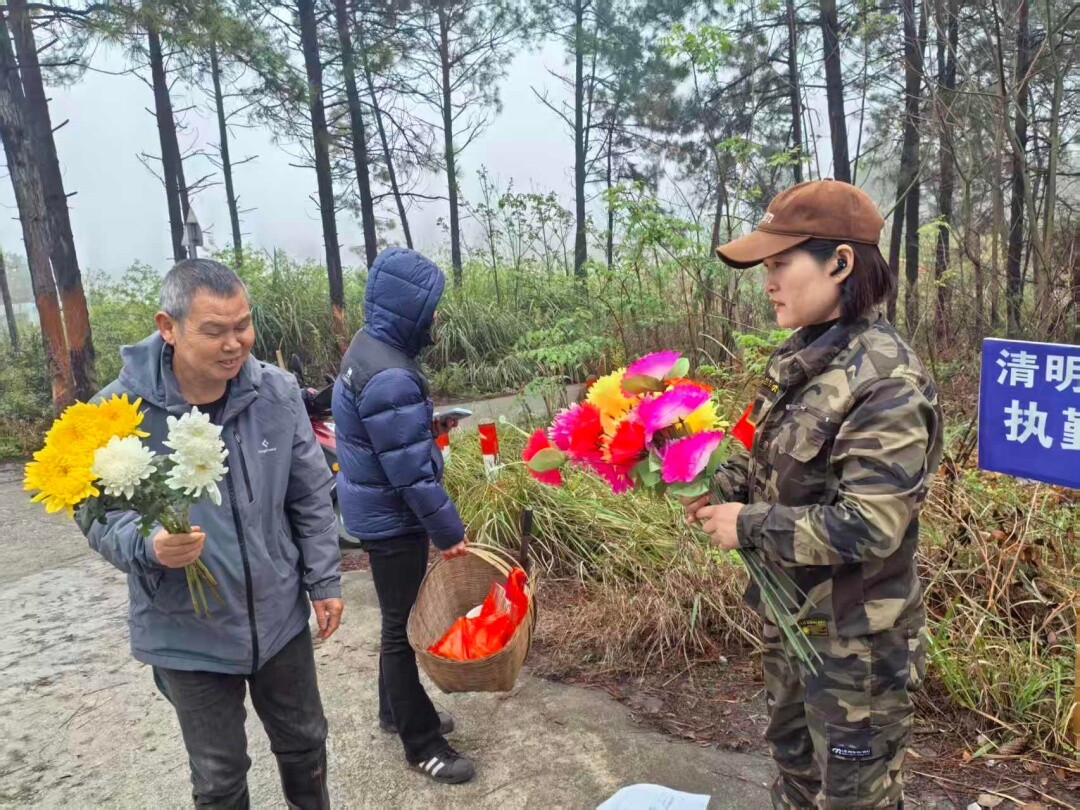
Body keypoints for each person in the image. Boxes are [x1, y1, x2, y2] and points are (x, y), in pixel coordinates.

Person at [683, 180, 944, 809]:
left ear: (840, 261)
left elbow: (870, 525)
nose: (767, 282)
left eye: (779, 264)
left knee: (853, 798)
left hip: (855, 650)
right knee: (794, 775)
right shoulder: (801, 357)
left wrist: (747, 524)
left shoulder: (886, 384)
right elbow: (754, 447)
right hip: (790, 624)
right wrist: (708, 481)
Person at [78, 258, 343, 809]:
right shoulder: (113, 413)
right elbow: (94, 512)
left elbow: (310, 492)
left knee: (305, 744)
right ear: (167, 327)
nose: (234, 343)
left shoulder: (276, 393)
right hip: (185, 630)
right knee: (219, 777)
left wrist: (323, 580)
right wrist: (148, 546)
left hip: (278, 618)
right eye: (215, 330)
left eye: (242, 325)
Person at [332, 247, 475, 785]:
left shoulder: (368, 348)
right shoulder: (392, 374)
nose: (437, 317)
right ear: (410, 308)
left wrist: (425, 423)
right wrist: (450, 532)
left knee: (396, 621)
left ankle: (395, 711)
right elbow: (412, 475)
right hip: (393, 521)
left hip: (372, 510)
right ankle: (422, 744)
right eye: (433, 307)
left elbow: (388, 434)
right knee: (403, 627)